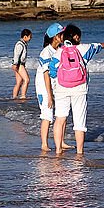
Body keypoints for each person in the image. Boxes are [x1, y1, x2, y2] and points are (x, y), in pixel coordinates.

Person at [52, 24, 104, 155]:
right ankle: (79, 152)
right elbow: (98, 46)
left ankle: (58, 150)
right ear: (76, 37)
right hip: (79, 88)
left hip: (61, 89)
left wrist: (58, 82)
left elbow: (53, 70)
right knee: (79, 121)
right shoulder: (84, 48)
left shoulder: (60, 51)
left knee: (60, 118)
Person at [35, 23, 64, 152]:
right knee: (47, 115)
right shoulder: (46, 52)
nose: (63, 36)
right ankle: (44, 144)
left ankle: (61, 141)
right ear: (55, 37)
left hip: (56, 85)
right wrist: (50, 95)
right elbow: (46, 76)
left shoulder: (60, 49)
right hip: (44, 87)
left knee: (61, 113)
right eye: (61, 34)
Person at [11, 28, 32, 100]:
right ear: (25, 36)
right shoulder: (20, 44)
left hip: (18, 64)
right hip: (19, 64)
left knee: (19, 82)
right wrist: (15, 64)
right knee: (27, 80)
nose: (30, 38)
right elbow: (17, 55)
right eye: (30, 37)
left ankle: (14, 97)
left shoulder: (22, 44)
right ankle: (23, 96)